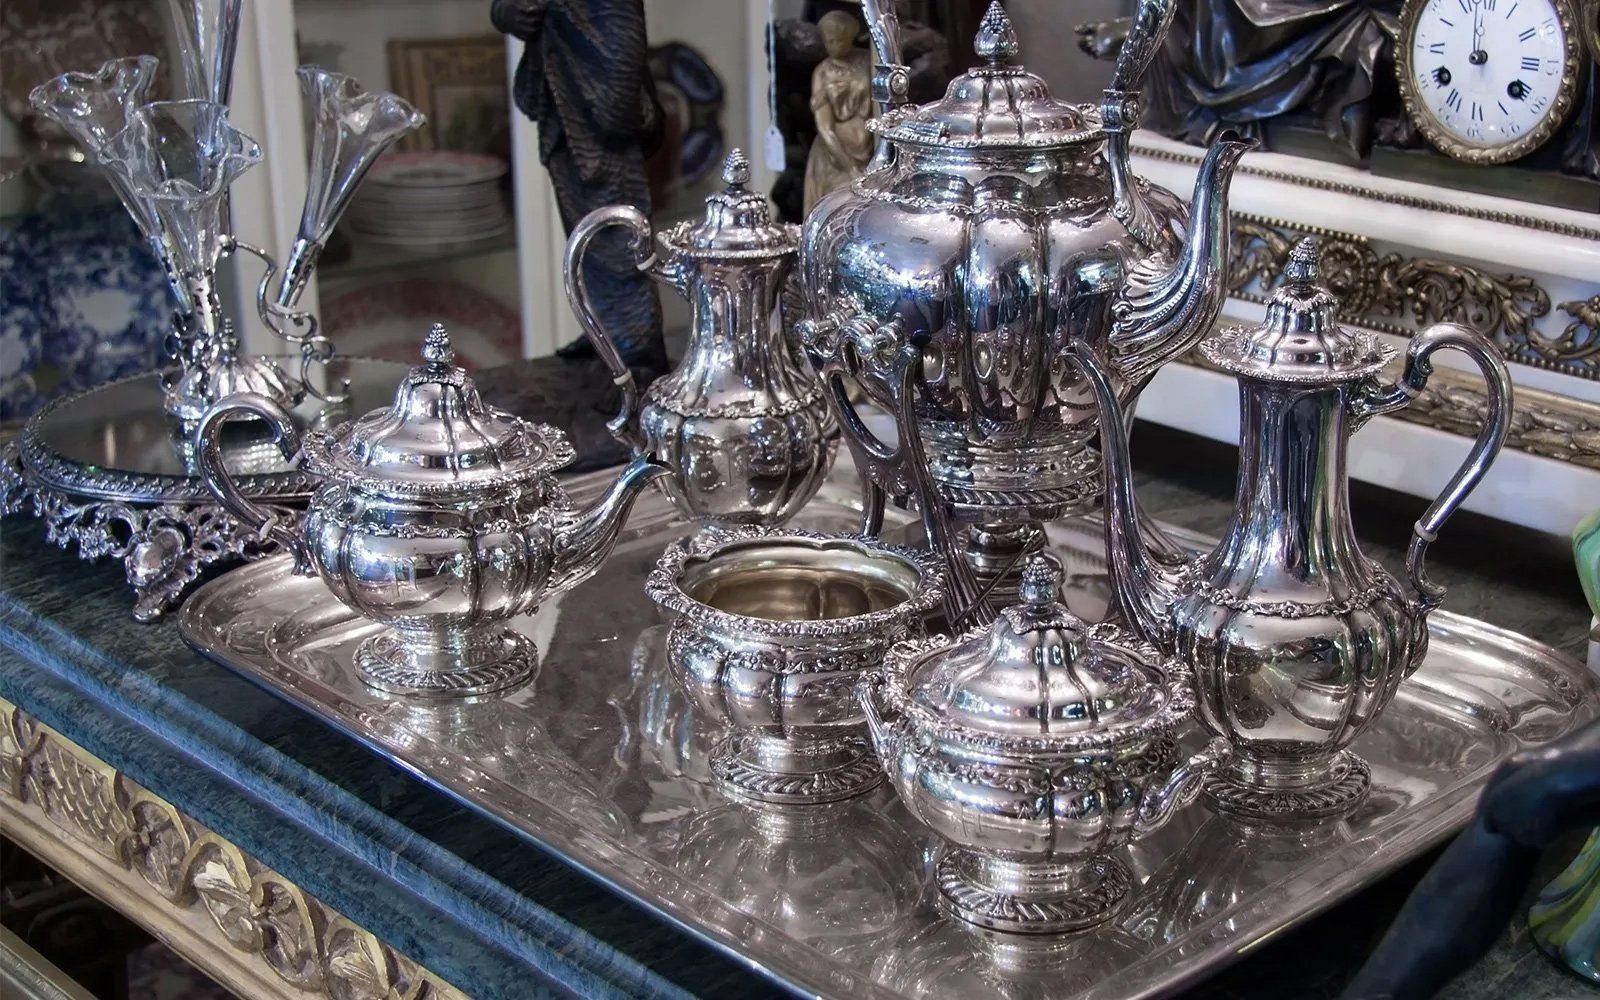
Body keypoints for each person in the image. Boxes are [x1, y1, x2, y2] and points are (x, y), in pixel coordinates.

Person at [803, 10, 874, 215]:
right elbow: (825, 127)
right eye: (829, 42)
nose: (834, 47)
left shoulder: (868, 60)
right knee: (838, 212)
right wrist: (850, 167)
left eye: (840, 41)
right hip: (835, 157)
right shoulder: (823, 72)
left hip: (871, 148)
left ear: (851, 37)